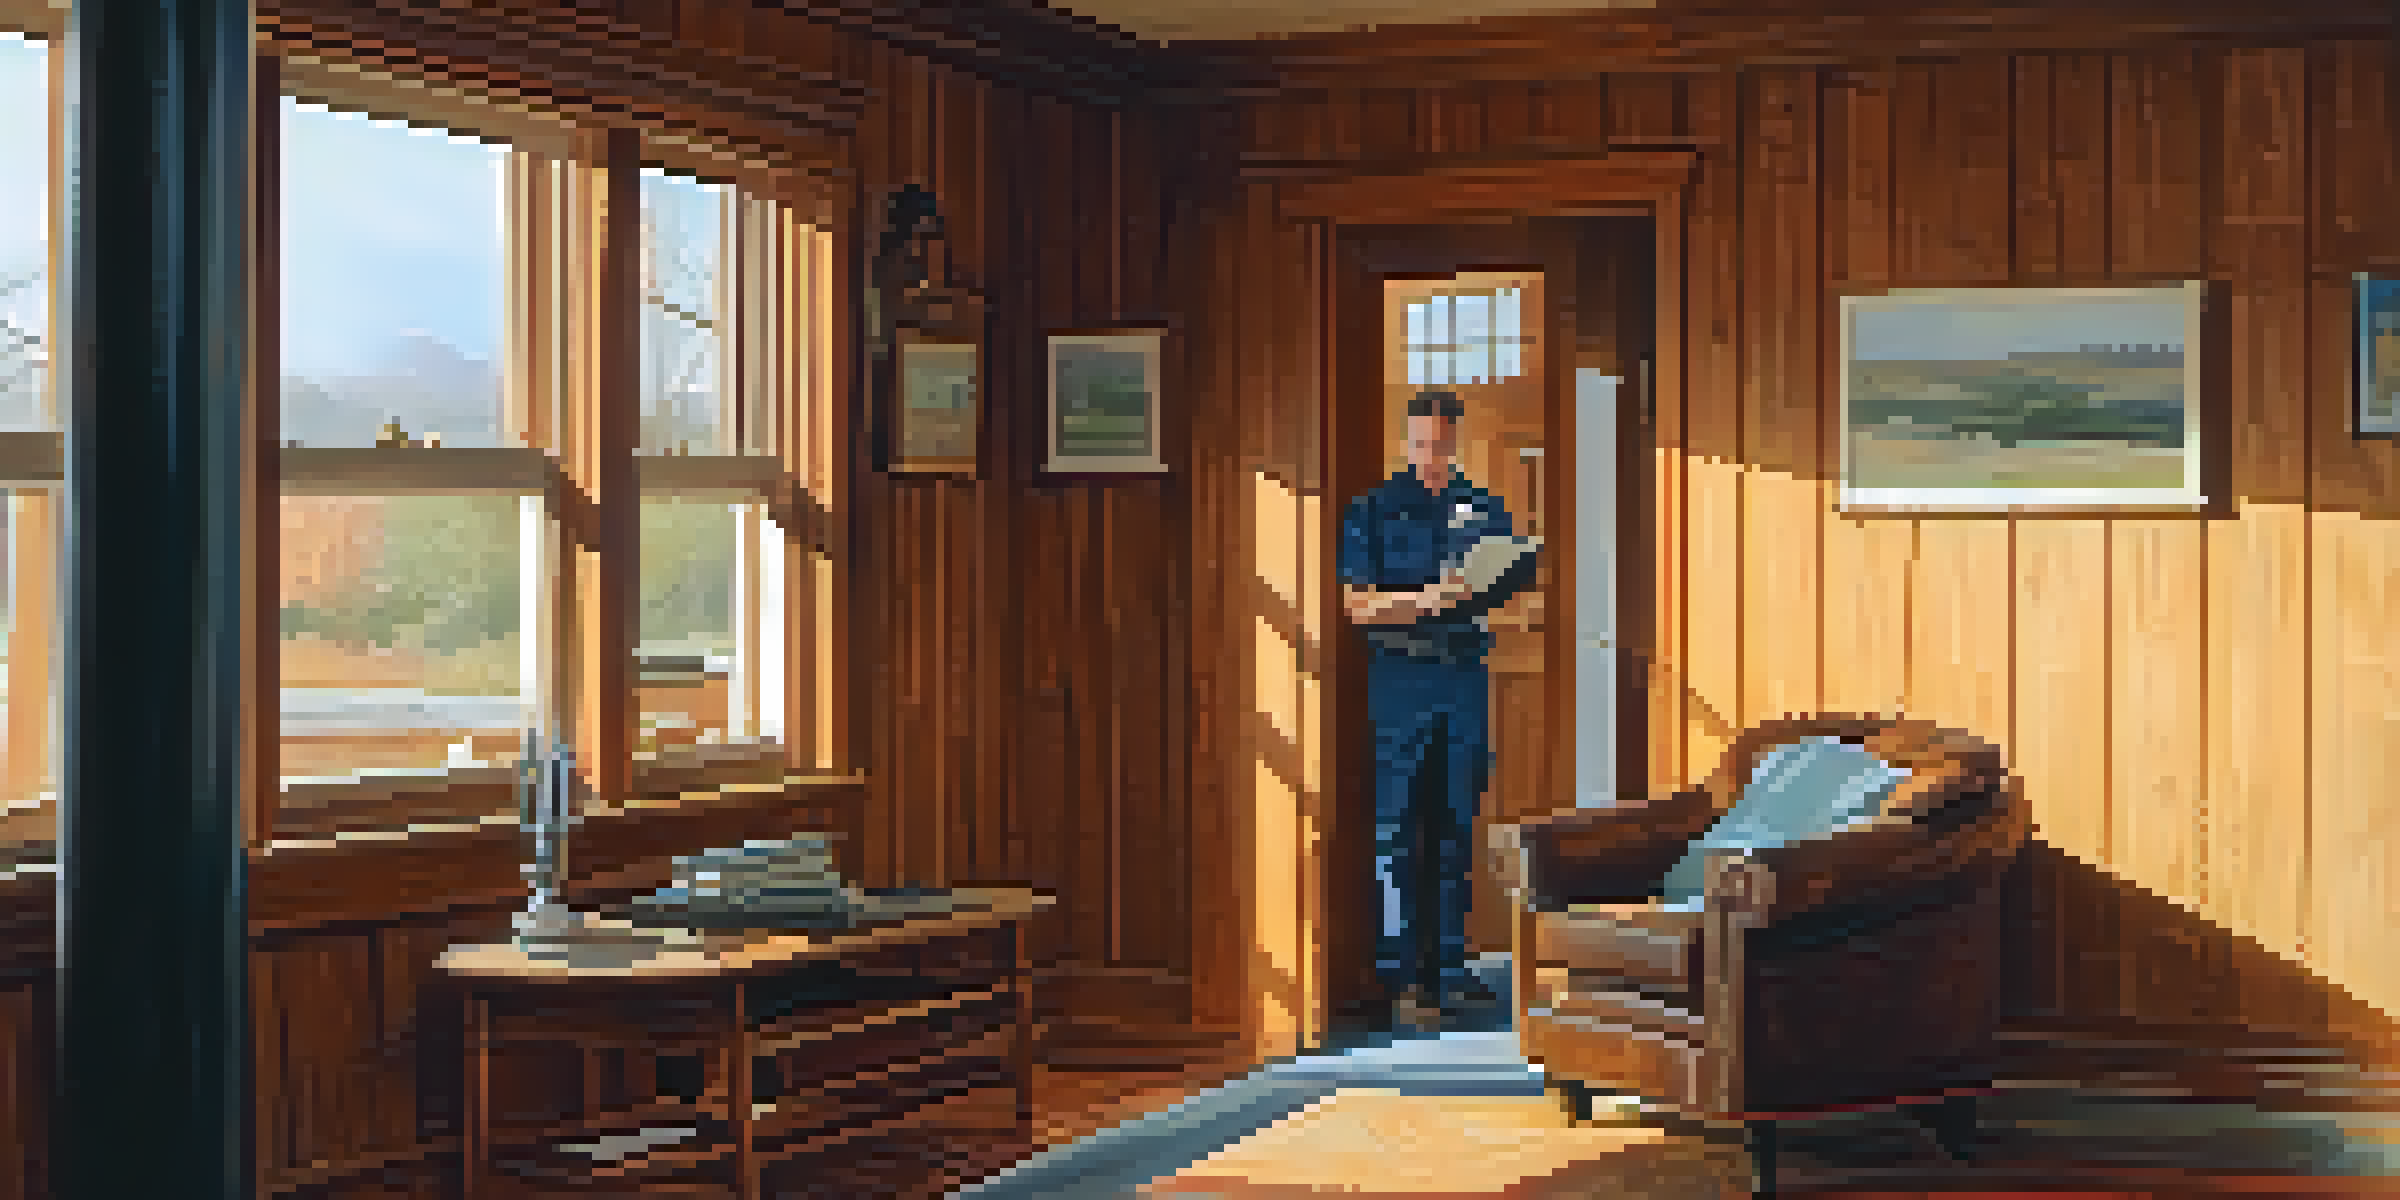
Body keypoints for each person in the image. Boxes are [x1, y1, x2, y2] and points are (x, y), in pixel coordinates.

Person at [1337, 389, 1520, 1031]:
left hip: (1465, 677)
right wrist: (1428, 600)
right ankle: (1403, 980)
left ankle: (1449, 969)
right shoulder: (1373, 512)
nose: (1430, 456)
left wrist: (1495, 583)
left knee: (1454, 826)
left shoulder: (1482, 508)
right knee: (1396, 832)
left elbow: (1508, 580)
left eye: (1440, 445)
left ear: (1455, 441)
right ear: (1406, 441)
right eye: (1420, 444)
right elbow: (1357, 606)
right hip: (1401, 681)